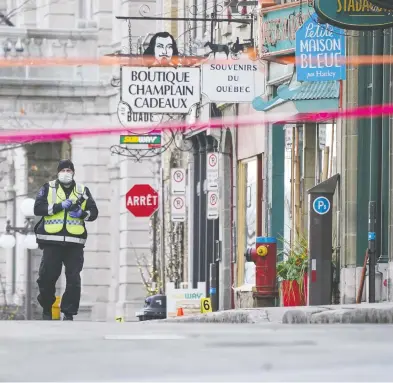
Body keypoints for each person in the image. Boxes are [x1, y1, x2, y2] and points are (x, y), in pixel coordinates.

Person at [33, 159, 98, 321]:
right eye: (64, 170)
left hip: (74, 243)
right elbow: (38, 208)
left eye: (69, 170)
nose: (66, 173)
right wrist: (58, 206)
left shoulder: (82, 191)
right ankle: (47, 308)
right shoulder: (48, 188)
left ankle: (69, 312)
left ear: (73, 172)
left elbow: (94, 212)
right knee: (47, 277)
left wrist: (81, 214)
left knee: (73, 279)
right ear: (58, 172)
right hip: (51, 241)